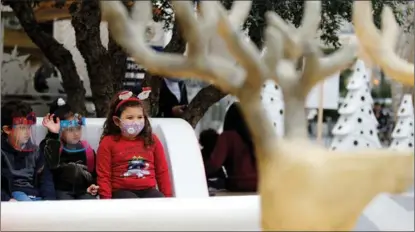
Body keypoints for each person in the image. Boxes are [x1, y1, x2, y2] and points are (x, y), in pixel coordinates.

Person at [97, 90, 172, 199]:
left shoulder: (152, 139)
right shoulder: (108, 143)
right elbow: (104, 175)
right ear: (117, 121)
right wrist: (107, 203)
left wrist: (168, 199)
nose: (136, 122)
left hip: (149, 190)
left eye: (140, 117)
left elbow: (162, 171)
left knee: (157, 200)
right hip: (122, 192)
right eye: (130, 118)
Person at [39, 98, 98, 200]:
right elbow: (51, 164)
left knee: (90, 205)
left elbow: (93, 173)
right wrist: (54, 134)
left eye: (78, 128)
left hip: (83, 191)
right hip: (61, 192)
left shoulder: (86, 149)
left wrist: (93, 185)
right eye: (70, 130)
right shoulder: (52, 145)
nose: (76, 134)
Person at [1, 101, 55, 201]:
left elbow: (45, 179)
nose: (27, 132)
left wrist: (49, 201)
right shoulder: (2, 152)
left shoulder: (35, 151)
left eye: (29, 127)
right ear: (7, 129)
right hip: (14, 196)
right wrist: (7, 199)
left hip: (34, 195)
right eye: (22, 128)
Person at [205, 103, 257, 192]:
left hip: (238, 183)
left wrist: (199, 172)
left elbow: (214, 164)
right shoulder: (258, 136)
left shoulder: (227, 136)